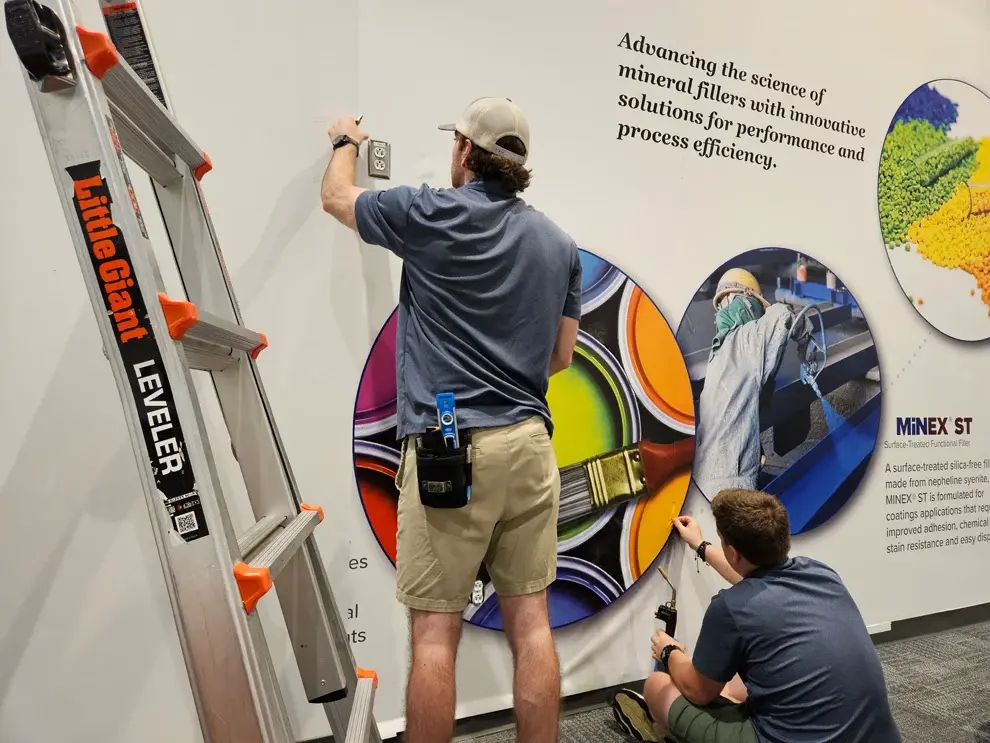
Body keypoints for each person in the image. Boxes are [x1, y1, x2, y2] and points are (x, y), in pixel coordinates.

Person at [320, 97, 582, 743]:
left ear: (466, 150)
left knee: (436, 633)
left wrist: (346, 140)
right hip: (530, 443)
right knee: (532, 624)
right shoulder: (558, 244)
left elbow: (337, 199)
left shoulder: (430, 212)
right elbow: (560, 357)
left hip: (450, 447)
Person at [611, 488, 901, 743]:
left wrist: (669, 651)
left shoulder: (729, 607)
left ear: (734, 553)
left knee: (657, 685)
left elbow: (698, 691)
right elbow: (753, 580)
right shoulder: (821, 573)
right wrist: (701, 545)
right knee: (737, 682)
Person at [692, 268, 814, 499]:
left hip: (706, 477)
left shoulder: (719, 355)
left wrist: (755, 450)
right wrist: (805, 340)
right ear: (747, 303)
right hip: (731, 483)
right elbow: (783, 314)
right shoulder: (745, 340)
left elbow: (733, 414)